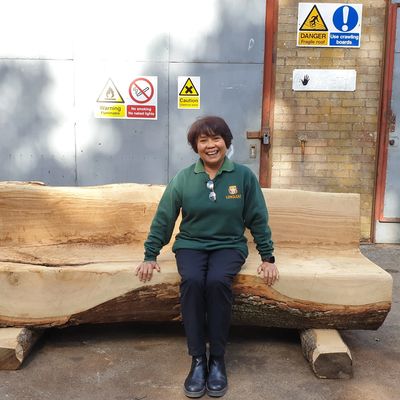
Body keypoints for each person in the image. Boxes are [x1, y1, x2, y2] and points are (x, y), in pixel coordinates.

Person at [135, 116, 279, 398]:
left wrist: (268, 256)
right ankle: (198, 359)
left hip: (229, 245)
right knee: (191, 281)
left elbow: (257, 218)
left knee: (216, 282)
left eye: (216, 139)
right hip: (191, 244)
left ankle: (218, 359)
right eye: (203, 140)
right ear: (196, 146)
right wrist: (150, 254)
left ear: (226, 142)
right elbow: (164, 218)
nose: (211, 145)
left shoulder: (243, 177)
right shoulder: (184, 179)